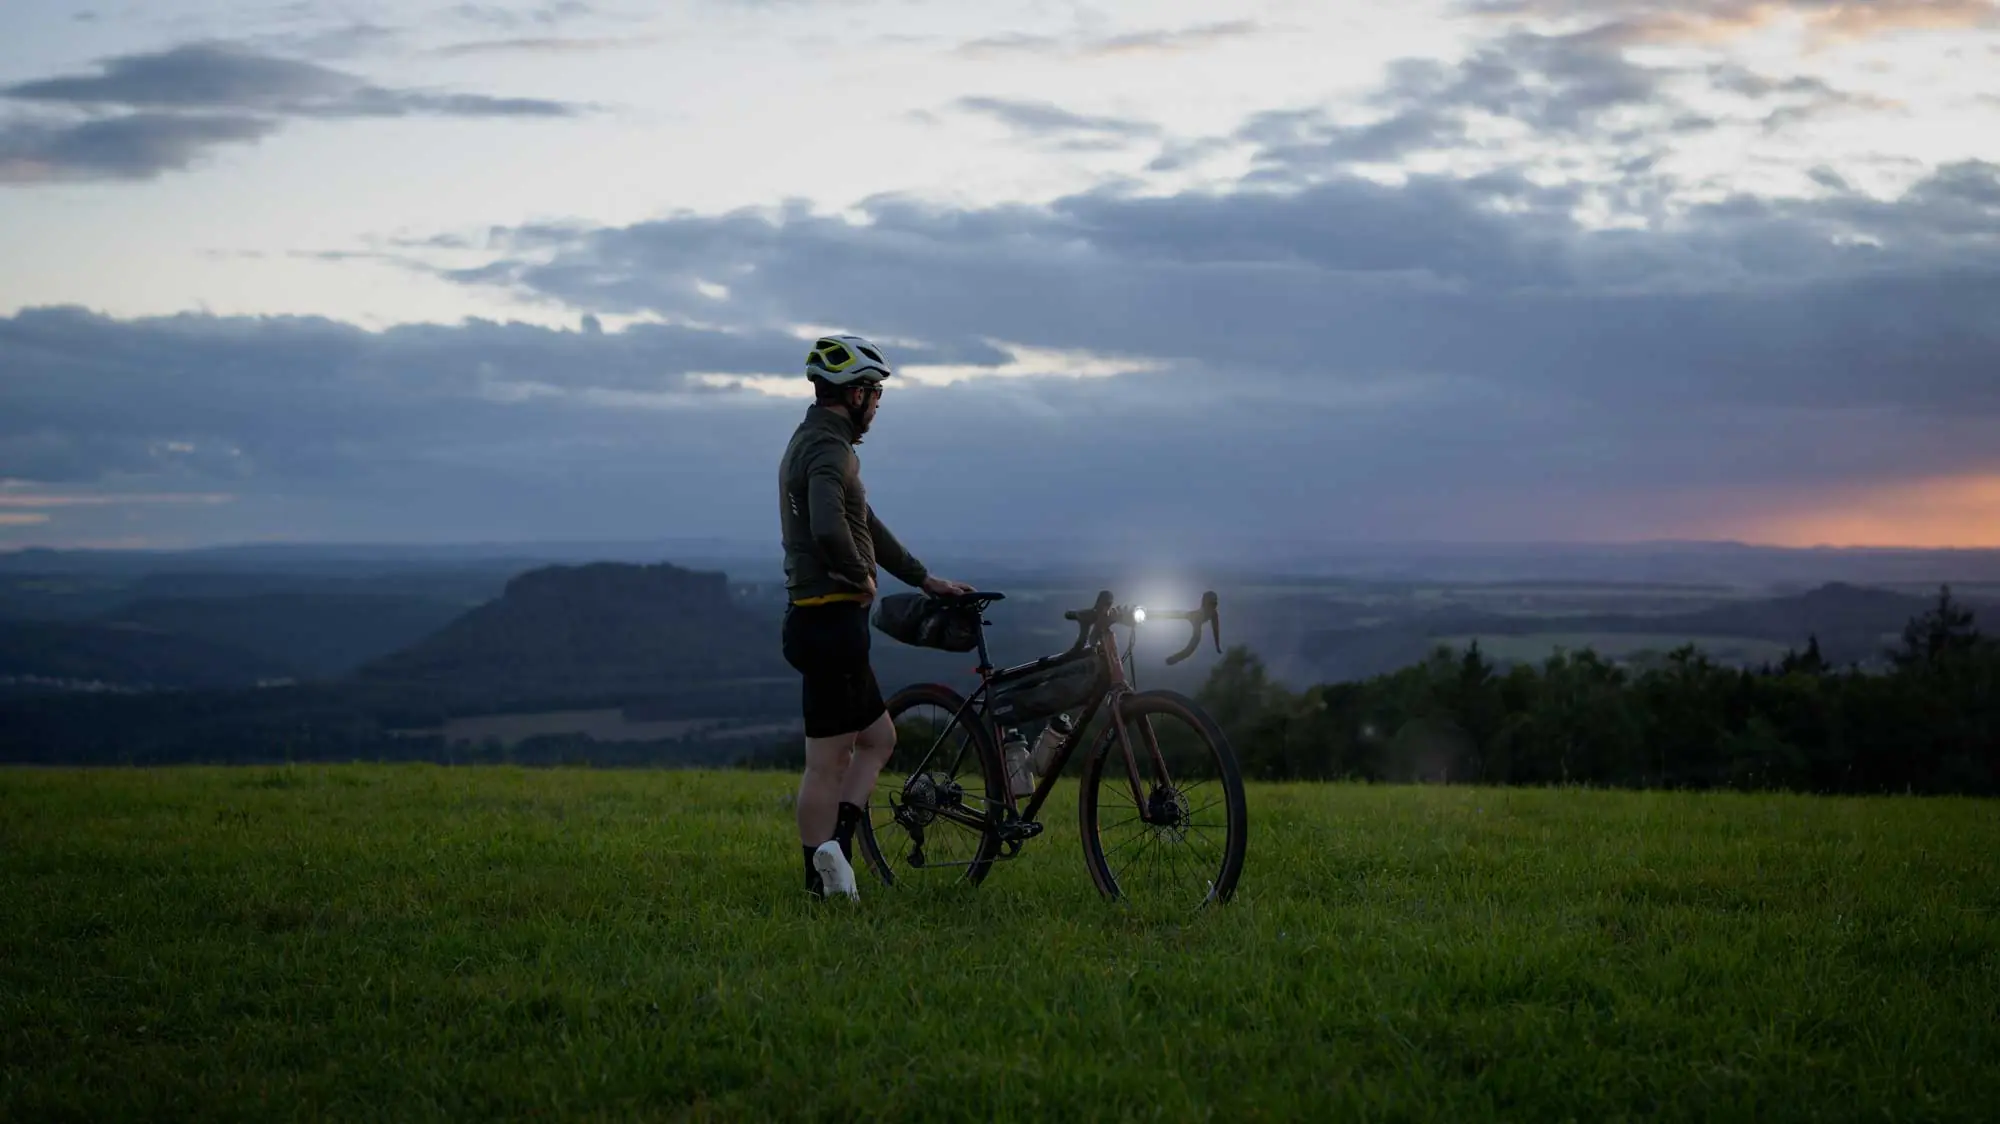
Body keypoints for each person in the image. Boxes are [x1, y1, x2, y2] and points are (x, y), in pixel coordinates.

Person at [777, 333, 973, 900]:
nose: (879, 404)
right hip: (831, 623)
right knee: (826, 762)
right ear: (856, 393)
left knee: (879, 738)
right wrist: (859, 574)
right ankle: (819, 882)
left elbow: (863, 519)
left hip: (824, 624)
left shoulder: (815, 440)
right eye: (876, 393)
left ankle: (835, 852)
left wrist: (922, 578)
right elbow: (827, 524)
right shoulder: (828, 450)